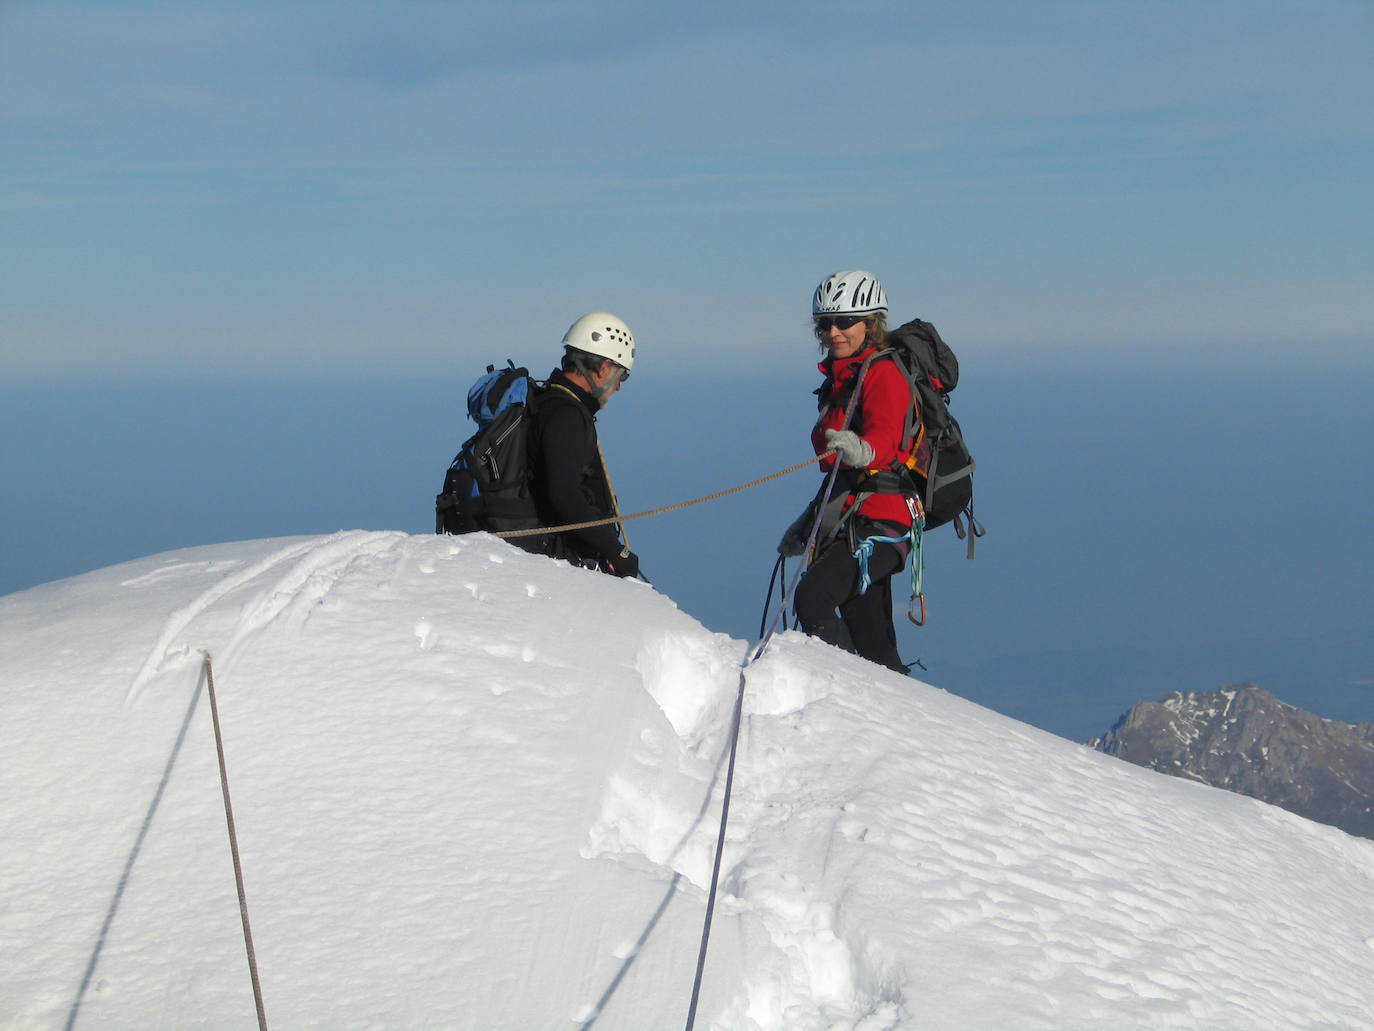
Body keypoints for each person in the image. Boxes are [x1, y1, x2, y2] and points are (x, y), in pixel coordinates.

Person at [779, 270, 926, 673]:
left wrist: (862, 451)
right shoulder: (843, 377)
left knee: (812, 598)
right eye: (825, 324)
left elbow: (885, 438)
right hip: (855, 516)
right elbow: (836, 467)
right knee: (871, 640)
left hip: (883, 518)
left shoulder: (883, 373)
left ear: (871, 323)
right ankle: (903, 716)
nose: (833, 332)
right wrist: (808, 521)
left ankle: (849, 696)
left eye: (845, 322)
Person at [526, 311, 642, 579]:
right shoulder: (566, 415)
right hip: (558, 563)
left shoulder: (550, 403)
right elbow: (564, 495)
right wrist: (615, 551)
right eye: (621, 376)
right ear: (603, 368)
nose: (619, 387)